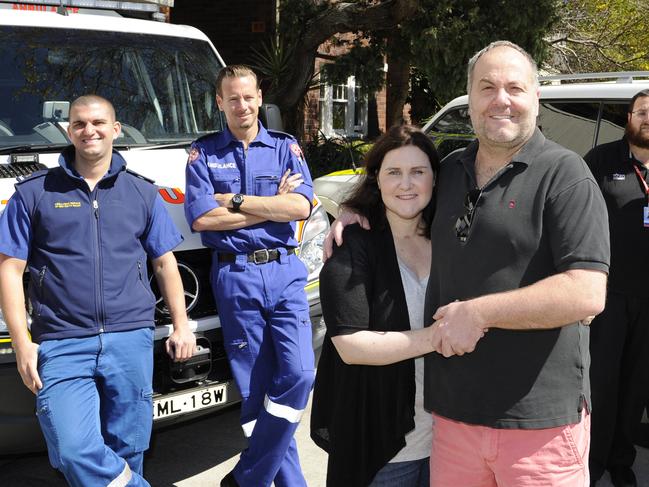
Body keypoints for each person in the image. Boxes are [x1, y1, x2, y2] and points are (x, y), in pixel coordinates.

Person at [327, 41, 610, 487]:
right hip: (453, 423)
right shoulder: (451, 172)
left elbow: (587, 292)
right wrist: (353, 211)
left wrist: (478, 312)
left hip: (537, 424)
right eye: (487, 87)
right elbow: (402, 189)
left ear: (536, 97)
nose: (501, 100)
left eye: (515, 87)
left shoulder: (566, 175)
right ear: (470, 99)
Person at [0, 95, 196, 487]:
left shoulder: (142, 193)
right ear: (68, 131)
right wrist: (21, 341)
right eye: (80, 124)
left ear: (116, 129)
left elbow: (165, 263)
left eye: (99, 123)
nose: (89, 130)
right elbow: (10, 269)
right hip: (61, 341)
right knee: (74, 448)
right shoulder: (34, 193)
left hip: (131, 337)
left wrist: (182, 325)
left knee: (128, 449)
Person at [184, 65, 315, 487]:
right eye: (232, 98)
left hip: (284, 271)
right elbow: (203, 219)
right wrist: (268, 206)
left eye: (249, 97)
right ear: (220, 103)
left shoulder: (284, 147)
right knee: (258, 392)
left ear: (260, 98)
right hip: (236, 277)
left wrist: (239, 202)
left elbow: (299, 208)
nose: (242, 105)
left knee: (299, 375)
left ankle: (246, 478)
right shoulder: (203, 154)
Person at [311, 125, 440, 487]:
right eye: (393, 173)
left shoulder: (449, 239)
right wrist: (438, 336)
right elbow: (351, 345)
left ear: (434, 177)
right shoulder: (352, 245)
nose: (406, 184)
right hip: (383, 448)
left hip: (448, 441)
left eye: (418, 172)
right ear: (377, 180)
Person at [585, 89, 649, 487]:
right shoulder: (601, 161)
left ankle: (621, 461)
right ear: (628, 117)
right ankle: (590, 464)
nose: (648, 119)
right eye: (642, 112)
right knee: (601, 382)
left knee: (636, 384)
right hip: (608, 294)